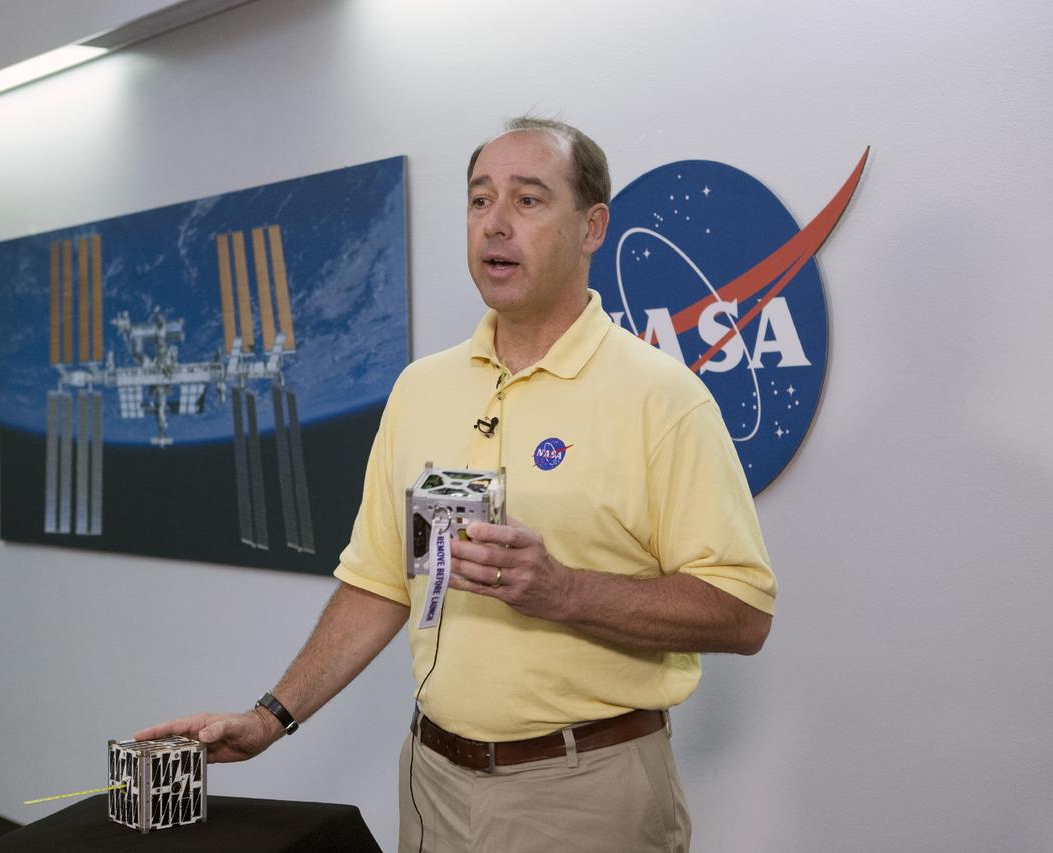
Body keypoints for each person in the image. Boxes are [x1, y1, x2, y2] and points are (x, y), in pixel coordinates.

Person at [136, 117, 776, 852]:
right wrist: (270, 716)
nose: (495, 224)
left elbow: (742, 612)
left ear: (593, 226)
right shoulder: (422, 388)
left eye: (529, 201)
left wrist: (564, 590)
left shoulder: (661, 397)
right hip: (433, 779)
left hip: (585, 793)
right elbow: (379, 580)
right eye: (479, 201)